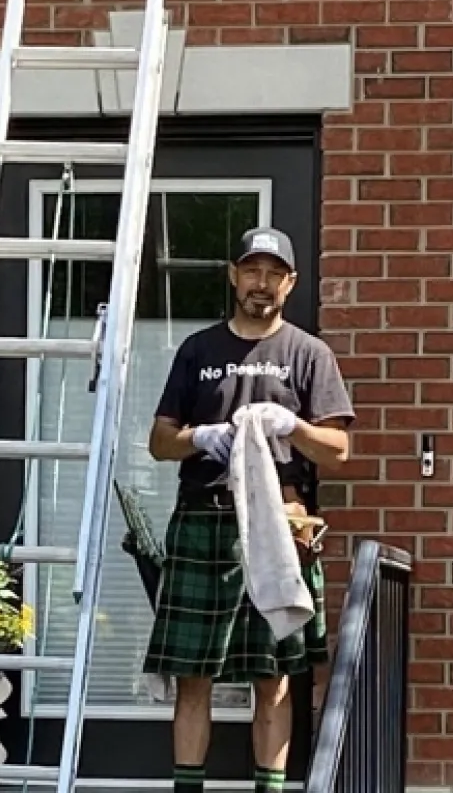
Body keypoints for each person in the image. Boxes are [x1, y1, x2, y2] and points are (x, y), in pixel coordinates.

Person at [143, 226, 354, 793]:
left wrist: (295, 426)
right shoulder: (199, 350)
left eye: (273, 273)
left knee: (276, 677)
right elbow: (159, 442)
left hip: (282, 525)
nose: (261, 284)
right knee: (193, 677)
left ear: (290, 282)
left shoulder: (309, 354)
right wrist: (199, 438)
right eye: (251, 271)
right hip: (204, 518)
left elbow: (338, 450)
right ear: (234, 276)